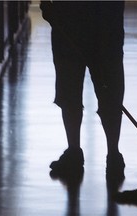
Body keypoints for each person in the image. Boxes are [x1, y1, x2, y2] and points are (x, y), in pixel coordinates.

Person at [40, 1, 125, 181]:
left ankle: (79, 152)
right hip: (103, 18)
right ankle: (111, 155)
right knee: (106, 87)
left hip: (74, 15)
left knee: (72, 85)